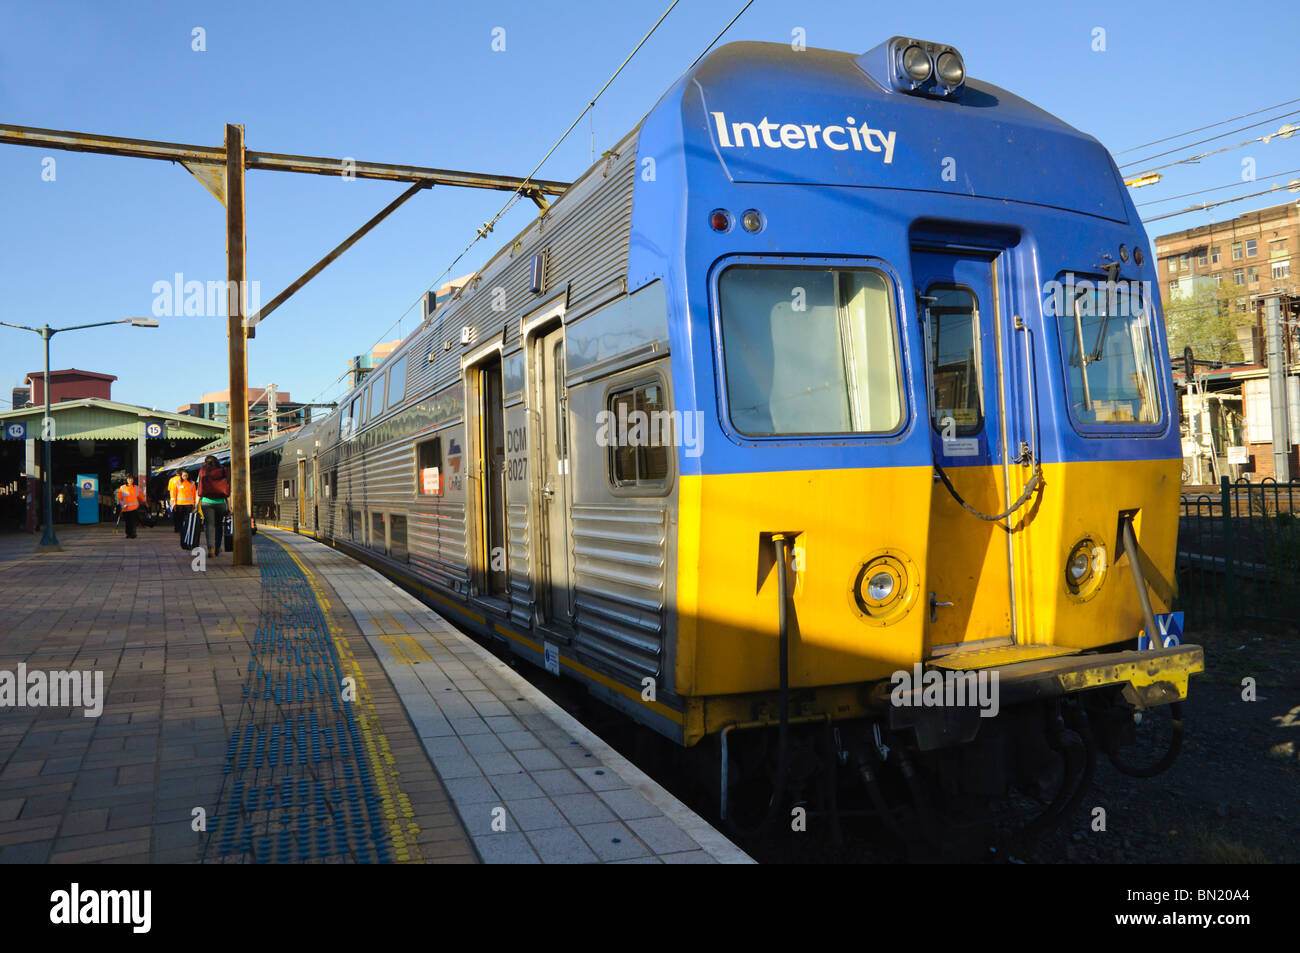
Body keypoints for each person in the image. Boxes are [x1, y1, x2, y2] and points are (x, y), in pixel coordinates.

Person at [196, 455, 230, 557]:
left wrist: (195, 505)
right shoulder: (224, 470)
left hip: (206, 502)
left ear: (206, 462)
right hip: (221, 502)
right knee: (219, 525)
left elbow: (199, 489)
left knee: (209, 525)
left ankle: (210, 548)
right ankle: (218, 547)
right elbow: (229, 489)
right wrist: (230, 505)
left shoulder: (203, 471)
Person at [171, 469, 197, 533]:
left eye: (186, 475)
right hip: (179, 504)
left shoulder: (192, 483)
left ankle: (186, 530)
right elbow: (174, 493)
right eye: (184, 475)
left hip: (189, 504)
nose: (185, 477)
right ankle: (179, 529)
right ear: (181, 476)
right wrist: (173, 504)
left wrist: (194, 503)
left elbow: (194, 493)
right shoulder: (177, 483)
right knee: (179, 518)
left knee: (187, 518)